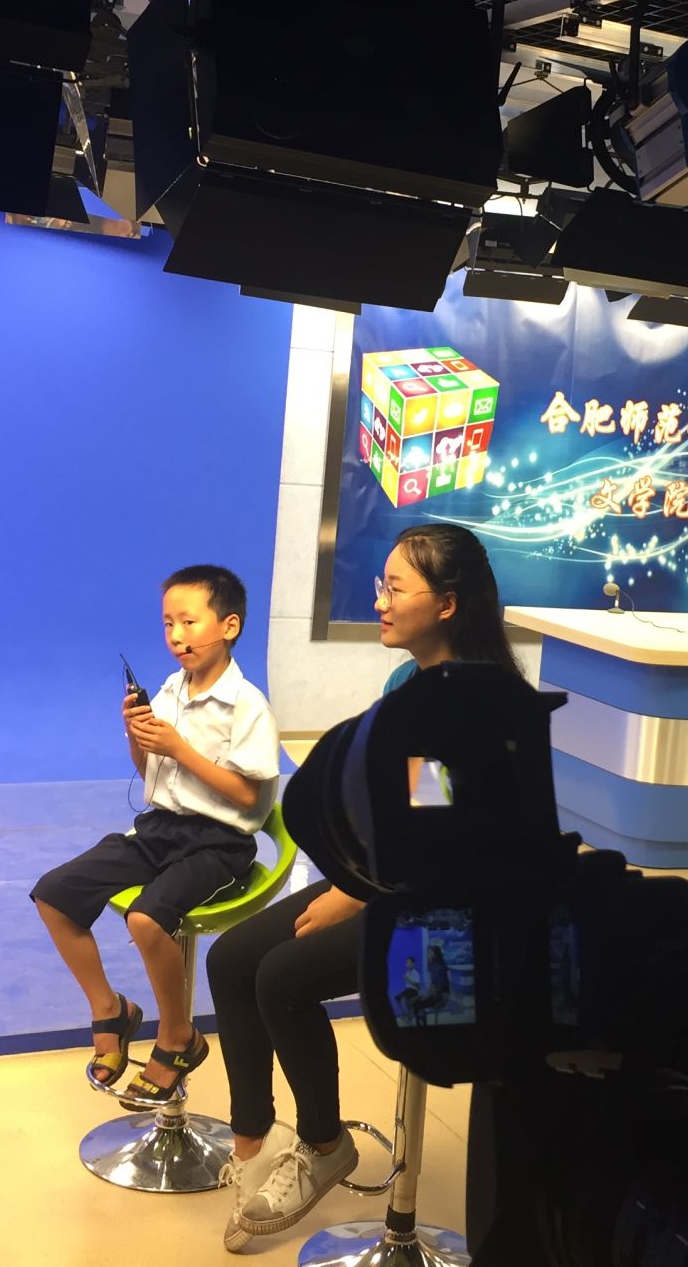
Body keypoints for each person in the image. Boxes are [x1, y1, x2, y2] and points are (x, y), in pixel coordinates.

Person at [207, 522, 525, 1251]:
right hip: (390, 876)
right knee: (231, 959)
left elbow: (446, 839)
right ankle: (252, 1142)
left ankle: (324, 1145)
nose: (379, 600)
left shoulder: (479, 704)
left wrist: (355, 893)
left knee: (281, 977)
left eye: (395, 588)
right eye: (381, 584)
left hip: (451, 906)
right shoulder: (406, 683)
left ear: (447, 605)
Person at [32, 565, 281, 1105]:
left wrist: (179, 749)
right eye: (168, 623)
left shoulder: (247, 705)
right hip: (160, 830)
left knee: (146, 918)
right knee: (53, 893)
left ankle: (177, 1035)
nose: (176, 635)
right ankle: (110, 1009)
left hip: (219, 843)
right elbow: (150, 771)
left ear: (230, 626)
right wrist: (137, 735)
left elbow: (247, 796)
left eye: (189, 622)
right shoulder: (170, 689)